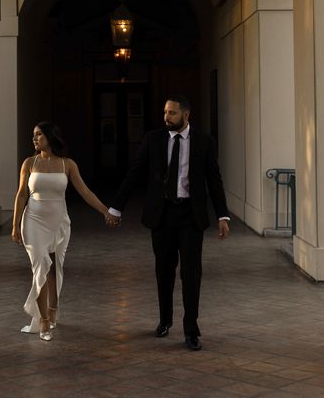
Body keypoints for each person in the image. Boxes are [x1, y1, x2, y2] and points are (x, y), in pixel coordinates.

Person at [108, 94, 230, 351]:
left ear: (186, 115)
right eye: (165, 112)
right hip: (162, 216)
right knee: (163, 271)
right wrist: (116, 207)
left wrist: (223, 215)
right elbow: (135, 173)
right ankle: (165, 320)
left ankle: (191, 330)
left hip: (190, 215)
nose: (166, 117)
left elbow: (214, 179)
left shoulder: (204, 141)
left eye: (172, 113)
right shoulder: (154, 139)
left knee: (191, 274)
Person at [12, 121, 117, 341]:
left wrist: (105, 211)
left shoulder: (67, 165)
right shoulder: (29, 163)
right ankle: (42, 321)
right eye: (33, 135)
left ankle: (53, 310)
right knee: (39, 267)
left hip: (59, 221)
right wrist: (15, 225)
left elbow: (85, 192)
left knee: (55, 268)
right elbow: (22, 194)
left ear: (50, 137)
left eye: (39, 134)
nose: (34, 138)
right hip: (33, 220)